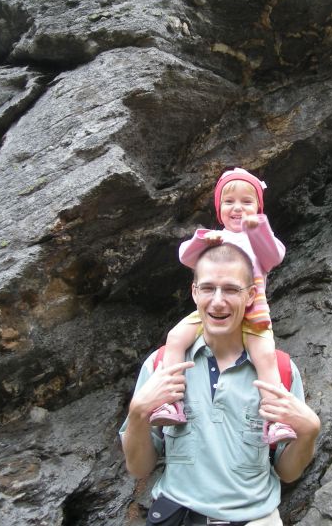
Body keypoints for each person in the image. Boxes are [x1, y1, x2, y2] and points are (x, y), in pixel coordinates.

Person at [120, 244, 321, 526]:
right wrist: (137, 413)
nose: (217, 301)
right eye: (207, 288)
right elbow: (139, 468)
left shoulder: (280, 371)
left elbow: (288, 472)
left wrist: (309, 432)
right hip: (178, 518)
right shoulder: (161, 365)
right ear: (194, 292)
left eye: (230, 289)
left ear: (251, 295)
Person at [150, 168, 294, 444]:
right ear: (219, 209)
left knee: (266, 358)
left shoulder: (260, 239)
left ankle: (276, 420)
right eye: (229, 202)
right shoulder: (216, 237)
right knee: (176, 337)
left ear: (258, 207)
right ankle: (168, 402)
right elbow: (185, 257)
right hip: (212, 309)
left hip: (252, 312)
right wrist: (201, 241)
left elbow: (274, 256)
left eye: (246, 201)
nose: (237, 208)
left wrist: (258, 227)